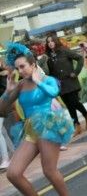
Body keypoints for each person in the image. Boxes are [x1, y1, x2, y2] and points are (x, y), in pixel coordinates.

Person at [0, 43, 73, 196]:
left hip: (48, 126)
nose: (20, 71)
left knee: (49, 171)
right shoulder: (20, 85)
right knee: (13, 173)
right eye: (17, 68)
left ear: (33, 64)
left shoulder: (48, 80)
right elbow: (2, 110)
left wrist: (37, 81)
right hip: (30, 129)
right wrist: (8, 91)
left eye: (22, 66)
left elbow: (53, 92)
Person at [45, 34, 87, 135]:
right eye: (48, 42)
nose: (50, 43)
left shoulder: (64, 50)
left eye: (52, 41)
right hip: (60, 85)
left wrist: (76, 72)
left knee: (74, 102)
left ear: (56, 41)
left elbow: (79, 58)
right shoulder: (49, 57)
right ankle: (76, 125)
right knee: (69, 105)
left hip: (70, 81)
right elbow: (51, 72)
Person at [0, 59, 11, 170]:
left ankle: (5, 159)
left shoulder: (2, 72)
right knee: (2, 131)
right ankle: (12, 153)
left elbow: (5, 90)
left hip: (1, 103)